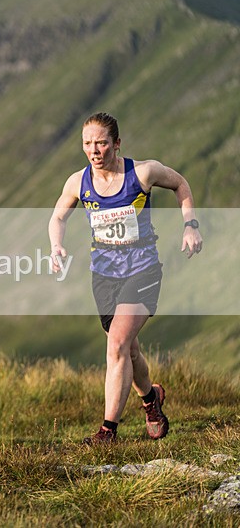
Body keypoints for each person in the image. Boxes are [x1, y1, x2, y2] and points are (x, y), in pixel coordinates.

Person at [49, 112, 203, 443]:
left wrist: (190, 225)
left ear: (117, 144)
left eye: (102, 142)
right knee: (129, 349)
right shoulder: (78, 182)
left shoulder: (142, 172)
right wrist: (56, 246)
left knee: (117, 343)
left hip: (143, 269)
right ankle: (151, 400)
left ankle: (108, 431)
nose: (95, 150)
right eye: (88, 144)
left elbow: (180, 184)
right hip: (104, 276)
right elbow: (58, 217)